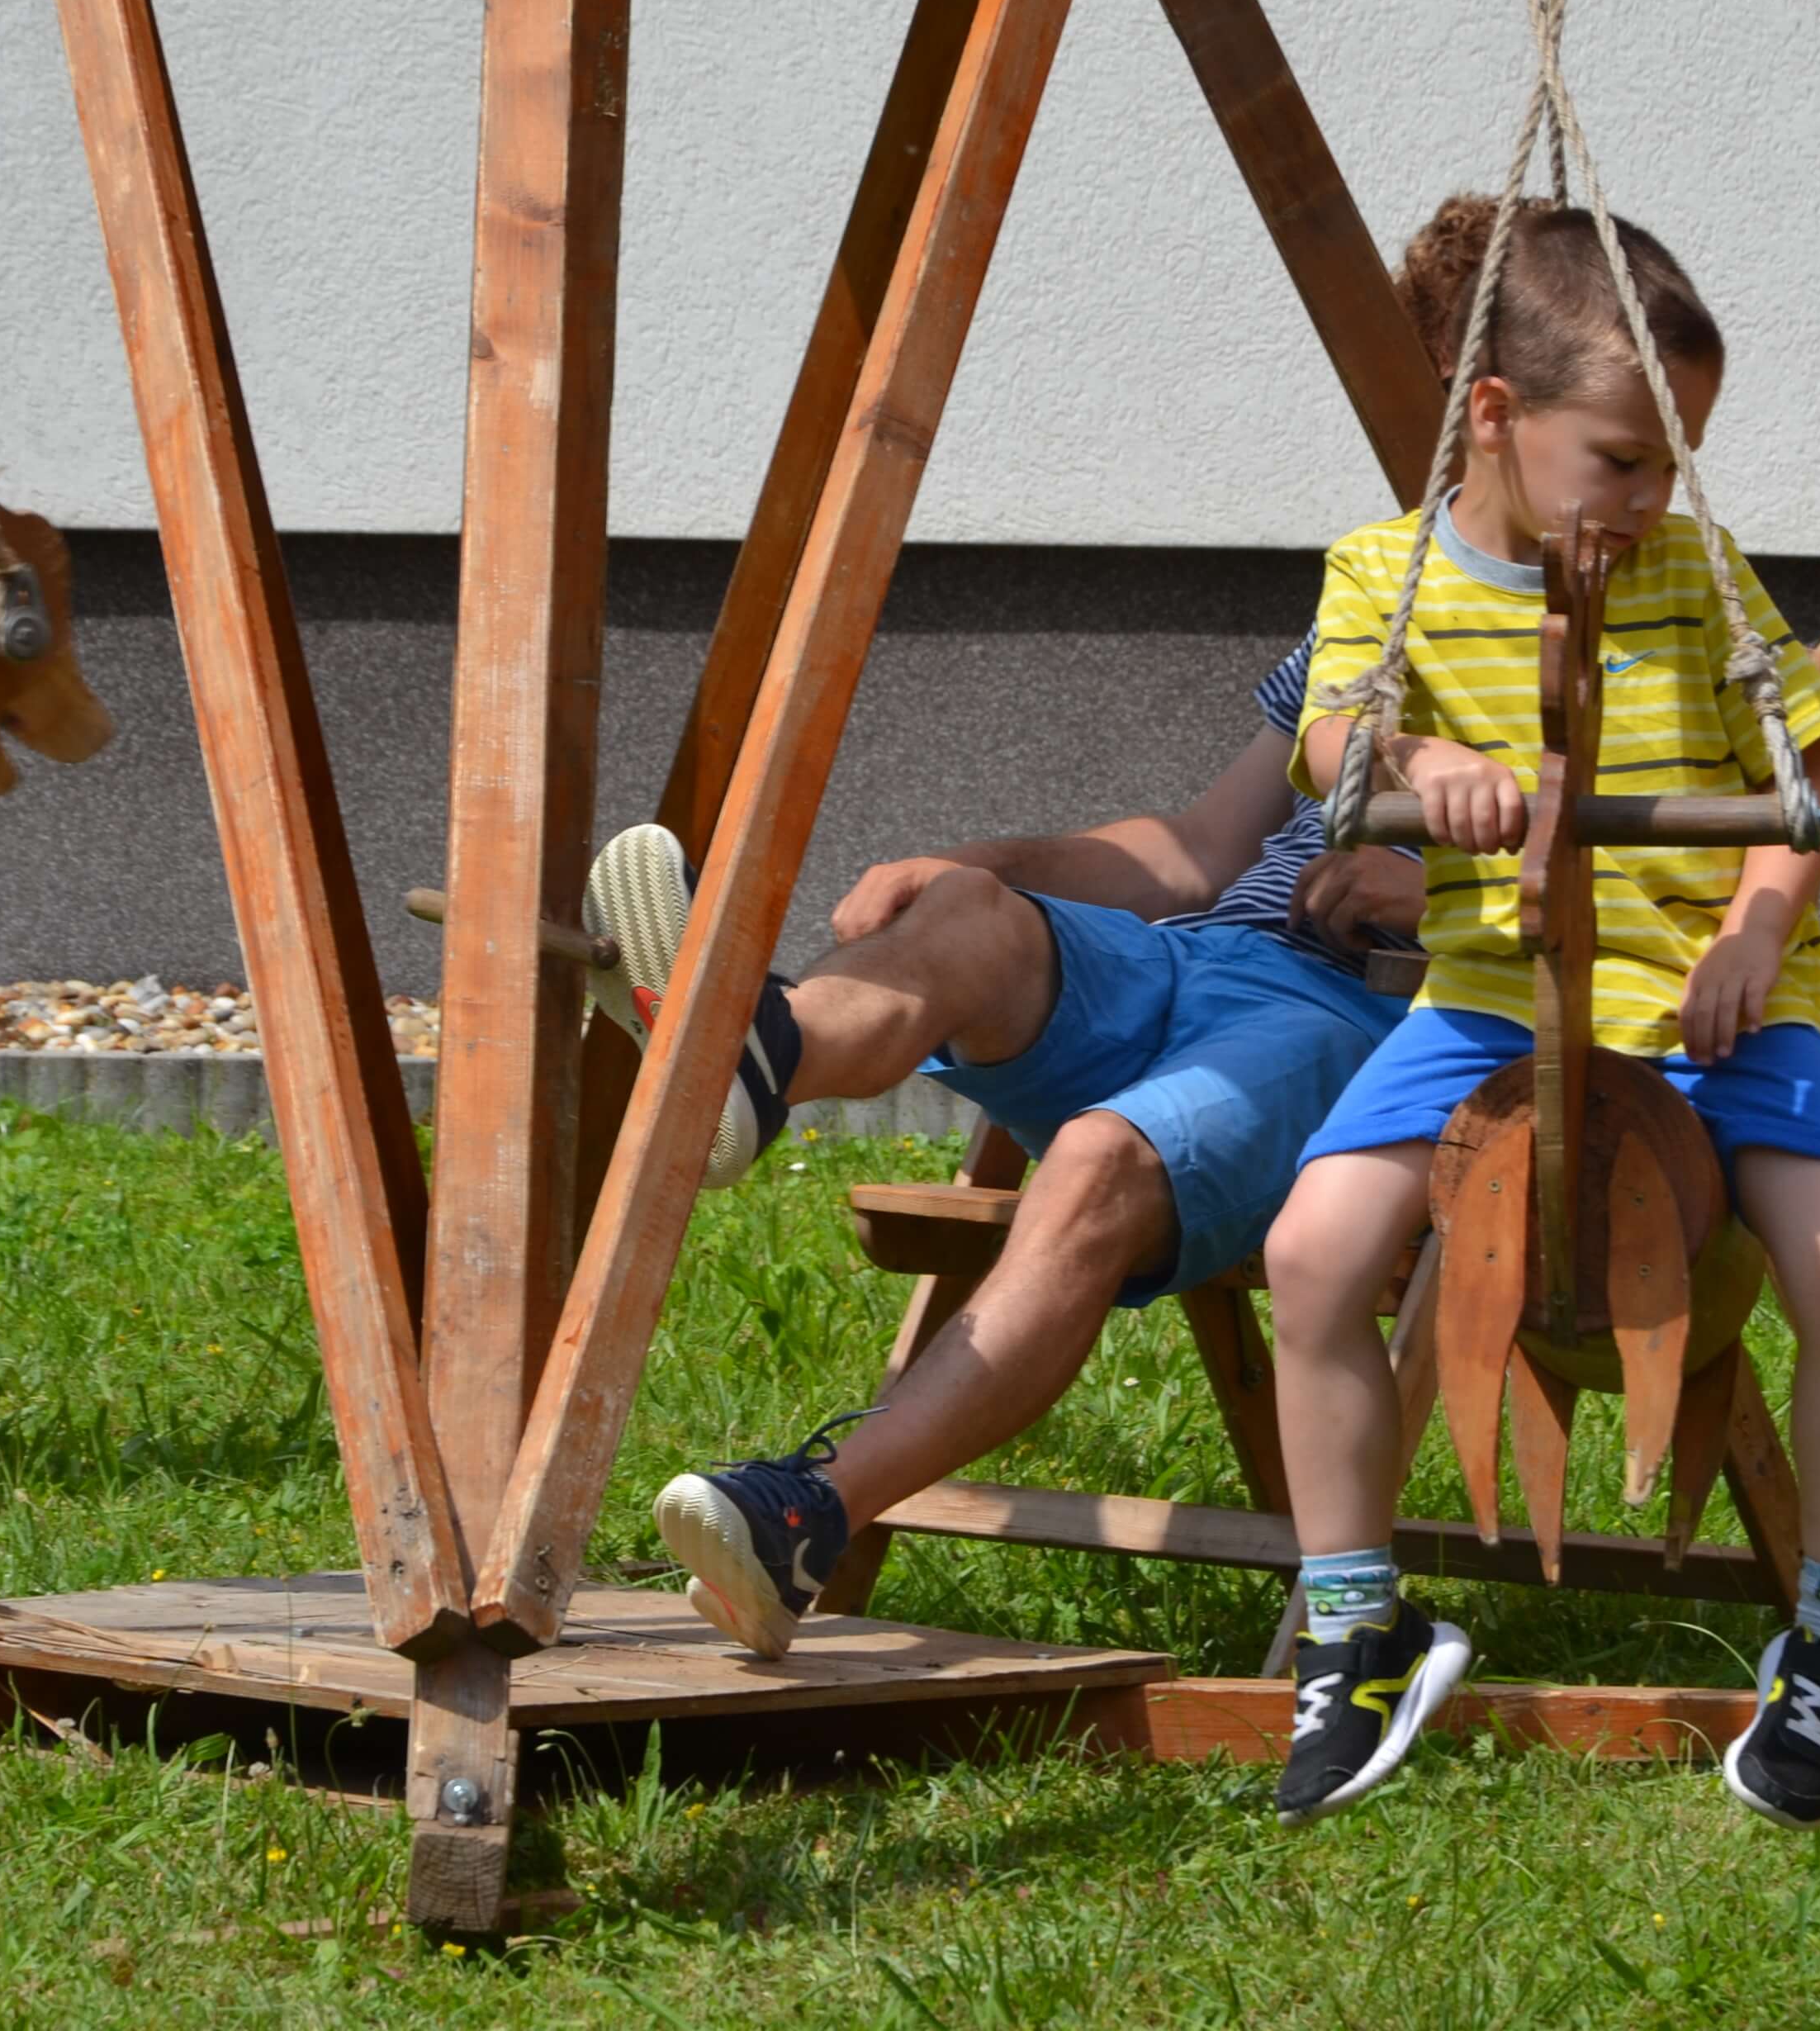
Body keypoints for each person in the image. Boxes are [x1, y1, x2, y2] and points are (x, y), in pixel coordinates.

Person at [1262, 195, 1820, 1829]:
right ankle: (1358, 1628)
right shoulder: (1388, 572)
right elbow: (1332, 742)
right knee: (1313, 1254)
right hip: (1495, 998)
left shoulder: (1689, 572)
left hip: (1706, 1002)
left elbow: (1808, 753)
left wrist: (1755, 928)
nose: (1650, 495)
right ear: (1495, 413)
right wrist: (1427, 764)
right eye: (1620, 456)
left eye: (1675, 462)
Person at [581, 652, 1426, 1658]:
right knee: (974, 909)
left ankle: (804, 1520)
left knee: (1099, 1158)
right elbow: (1201, 850)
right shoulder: (1371, 607)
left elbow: (1614, 917)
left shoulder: (1605, 659)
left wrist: (1456, 901)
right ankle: (756, 1056)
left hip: (1369, 1013)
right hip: (1194, 951)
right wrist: (966, 864)